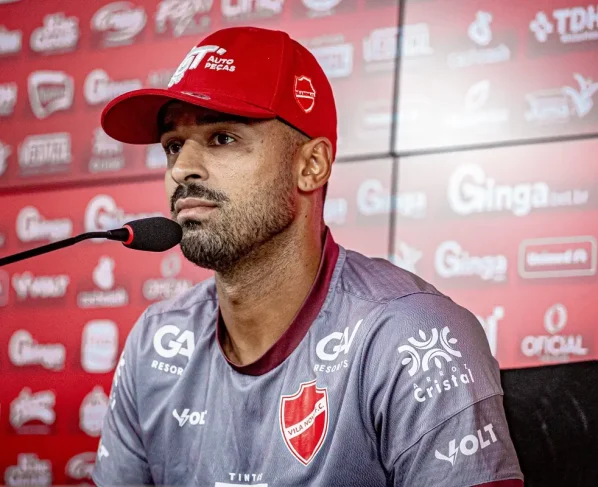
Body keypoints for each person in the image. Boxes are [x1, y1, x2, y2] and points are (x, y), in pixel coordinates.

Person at [92, 26, 524, 487]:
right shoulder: (156, 341)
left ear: (311, 165)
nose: (181, 169)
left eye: (223, 138)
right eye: (174, 145)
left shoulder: (413, 337)